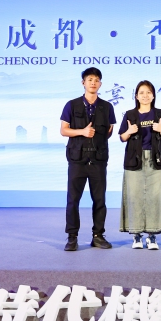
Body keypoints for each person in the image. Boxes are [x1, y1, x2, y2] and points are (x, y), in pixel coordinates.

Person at [59, 67, 116, 251]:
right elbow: (64, 130)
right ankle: (72, 237)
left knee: (99, 200)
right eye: (90, 79)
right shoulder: (72, 105)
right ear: (83, 82)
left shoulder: (107, 107)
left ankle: (98, 236)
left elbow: (109, 131)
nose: (93, 83)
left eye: (97, 80)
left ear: (100, 84)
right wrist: (82, 132)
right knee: (73, 200)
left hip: (98, 160)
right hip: (77, 159)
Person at [118, 80, 161, 250]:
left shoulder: (160, 114)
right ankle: (136, 235)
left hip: (155, 159)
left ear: (153, 96)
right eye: (141, 93)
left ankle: (152, 236)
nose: (145, 96)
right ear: (136, 96)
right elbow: (122, 137)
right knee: (134, 196)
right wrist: (129, 131)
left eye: (148, 92)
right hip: (135, 159)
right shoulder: (130, 114)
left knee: (155, 198)